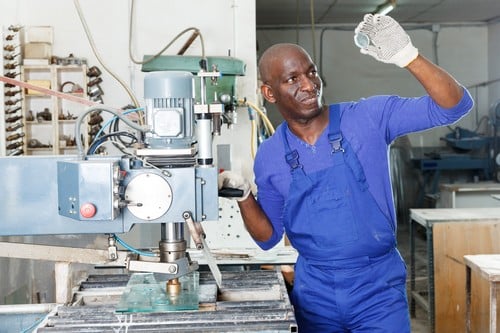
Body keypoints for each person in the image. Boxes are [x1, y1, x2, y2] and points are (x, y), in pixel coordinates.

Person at [218, 13, 473, 332]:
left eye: (311, 73)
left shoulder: (368, 118)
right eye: (292, 79)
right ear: (269, 93)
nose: (309, 85)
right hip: (315, 297)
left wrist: (408, 57)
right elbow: (268, 238)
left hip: (378, 292)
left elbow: (455, 106)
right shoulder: (270, 155)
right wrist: (243, 197)